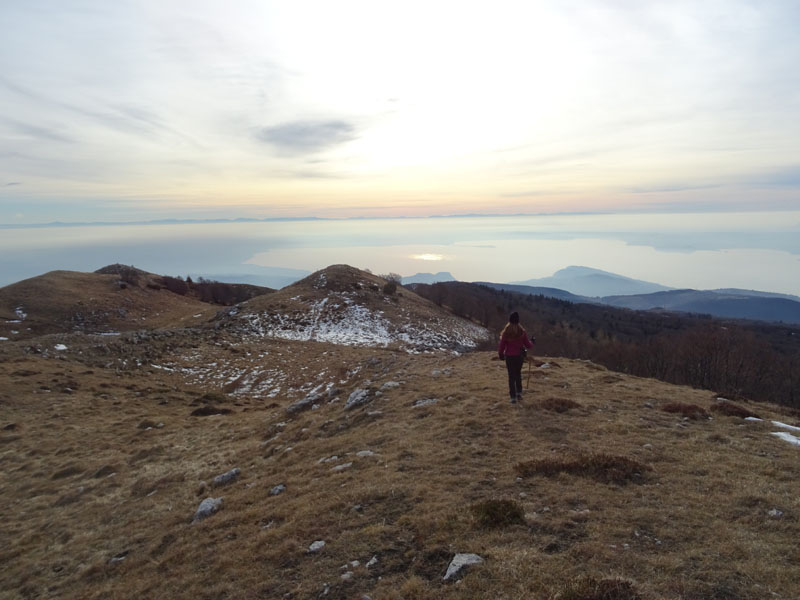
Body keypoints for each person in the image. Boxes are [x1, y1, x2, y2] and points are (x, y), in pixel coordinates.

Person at [498, 311, 534, 404]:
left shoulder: (506, 332)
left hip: (509, 356)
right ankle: (519, 393)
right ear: (518, 321)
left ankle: (513, 397)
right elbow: (529, 345)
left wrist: (501, 354)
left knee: (511, 376)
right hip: (519, 356)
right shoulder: (522, 332)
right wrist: (532, 341)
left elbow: (502, 345)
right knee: (518, 374)